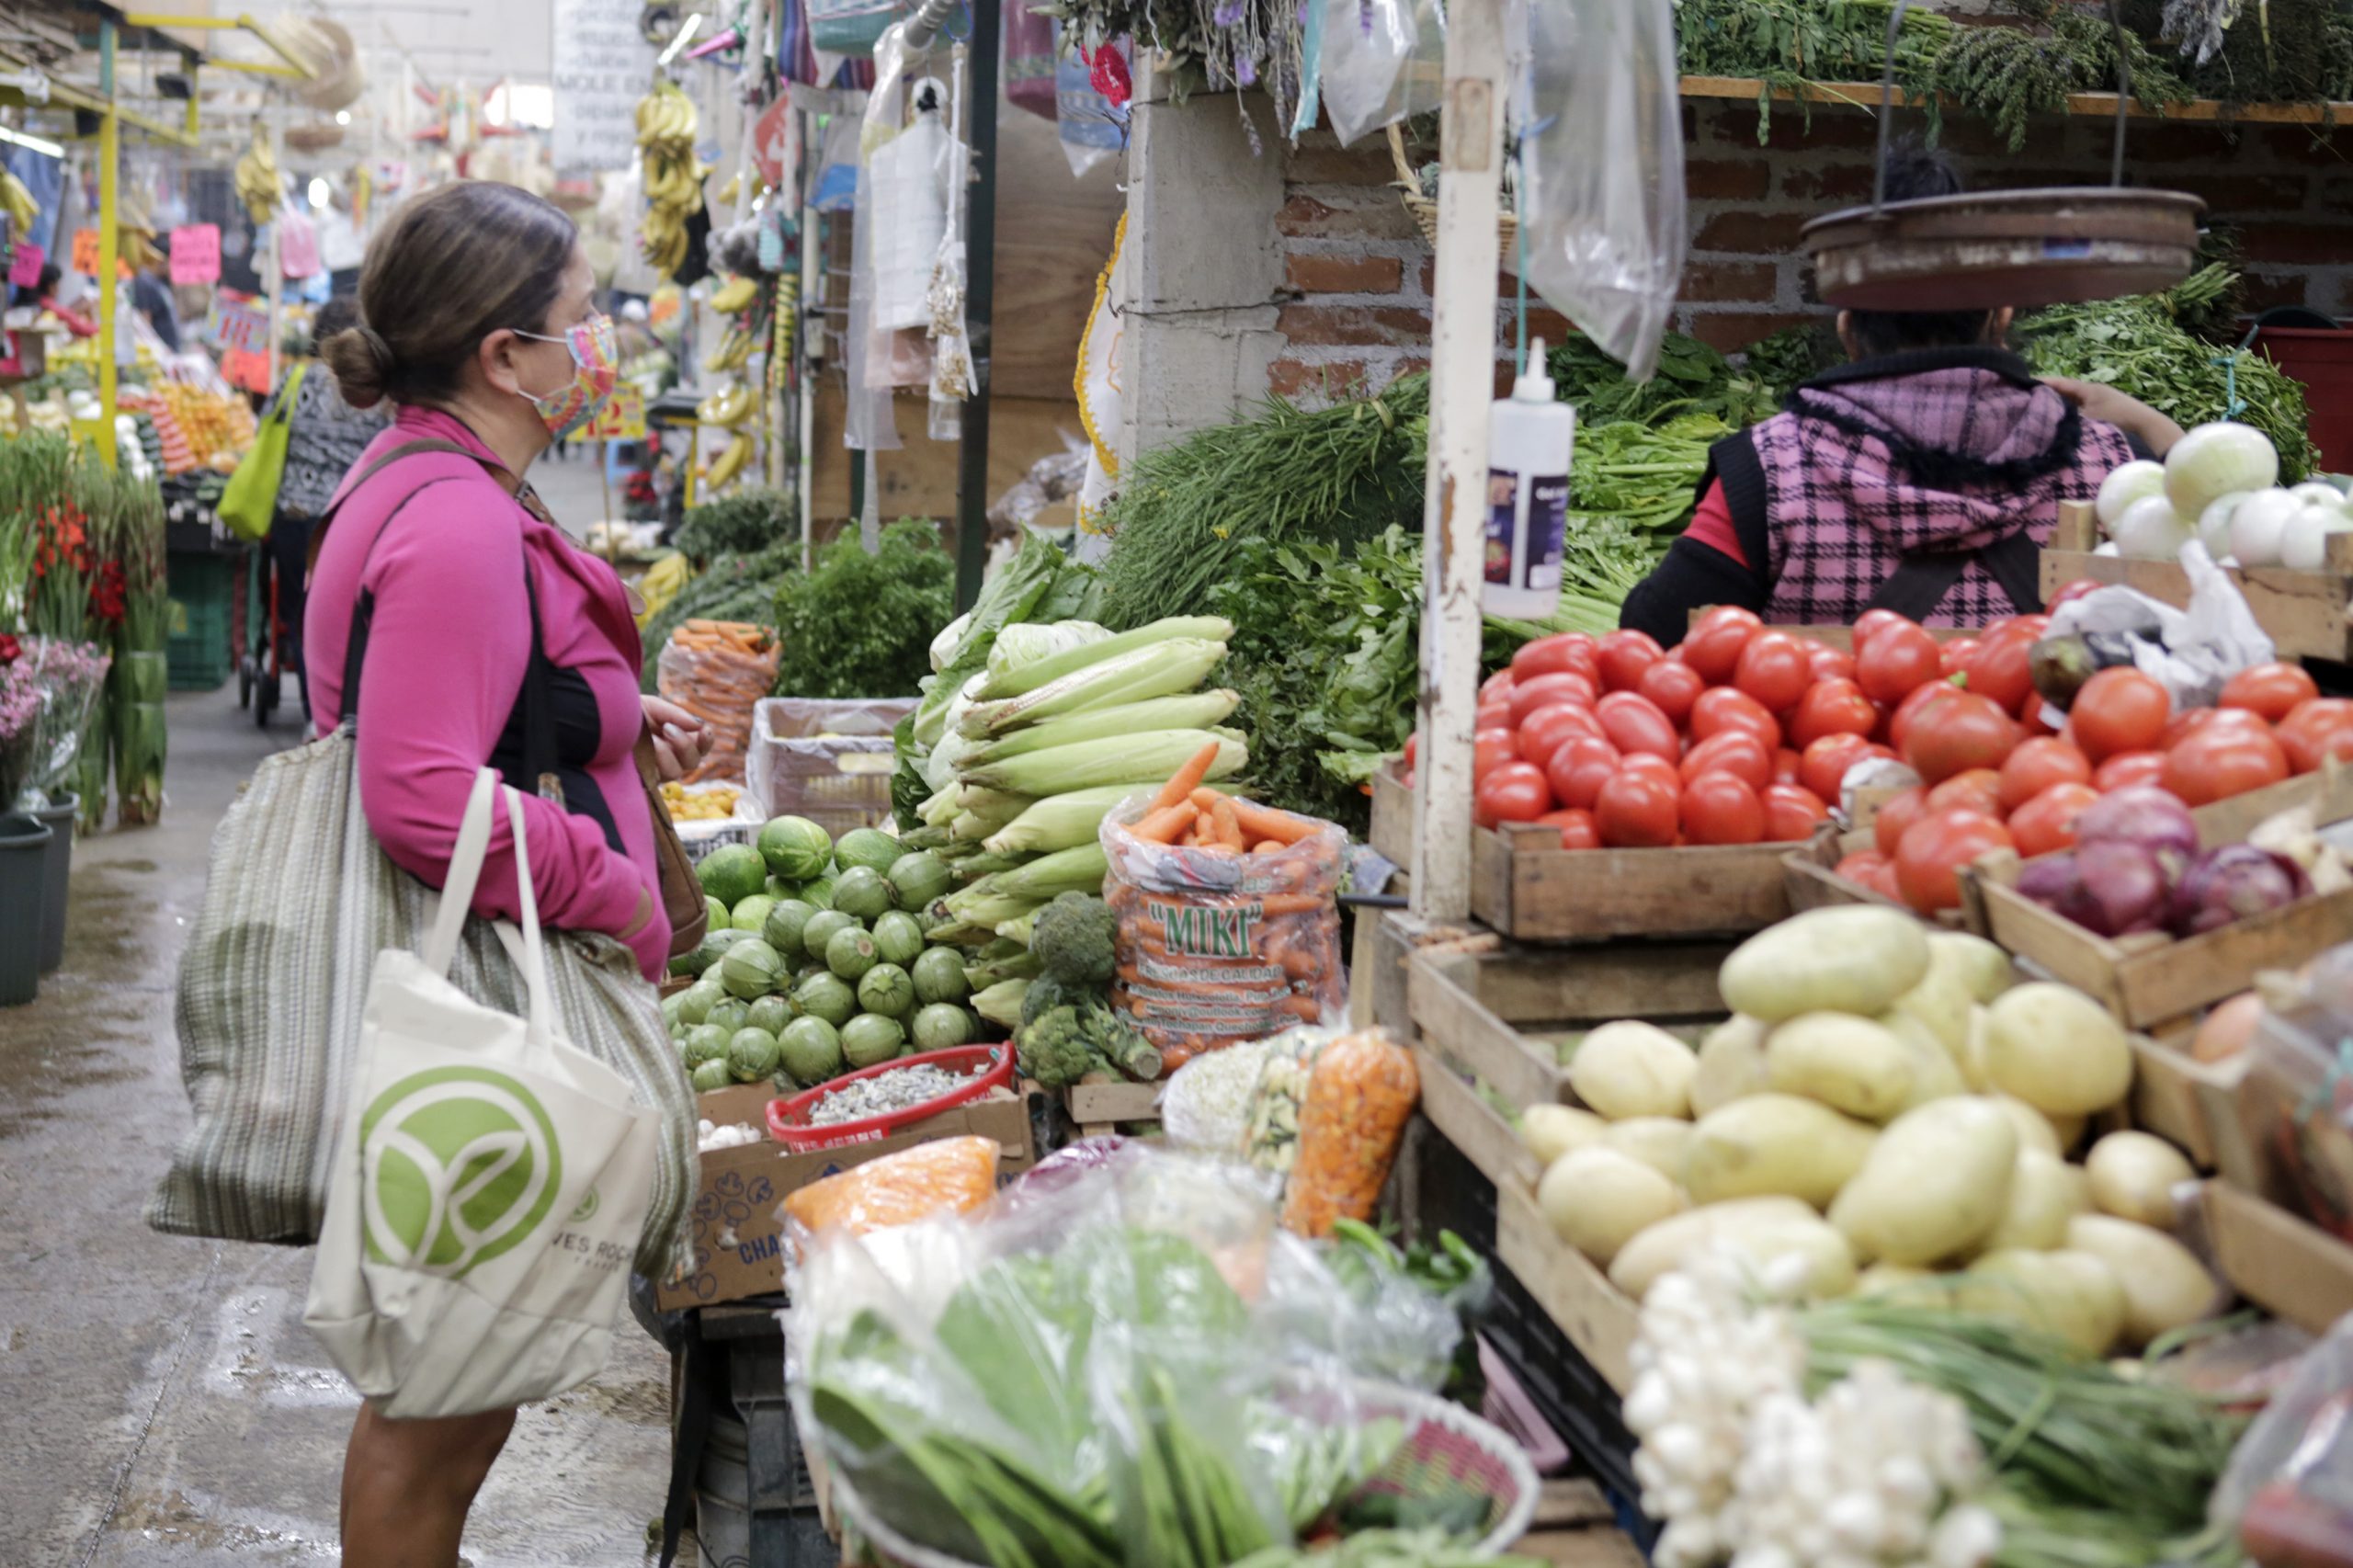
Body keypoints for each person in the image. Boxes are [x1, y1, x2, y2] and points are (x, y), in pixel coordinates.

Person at [306, 179, 711, 1567]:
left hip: (469, 975)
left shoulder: (428, 476)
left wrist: (601, 714)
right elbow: (422, 792)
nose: (600, 348)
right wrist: (609, 879)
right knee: (437, 1414)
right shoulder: (461, 520)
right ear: (502, 355)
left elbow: (466, 696)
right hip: (486, 990)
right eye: (583, 321)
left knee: (445, 1393)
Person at [1619, 149, 2185, 644]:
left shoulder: (1765, 471)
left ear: (1848, 331)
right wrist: (2152, 427)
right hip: (2050, 767)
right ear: (2000, 320)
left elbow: (1650, 637)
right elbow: (2236, 585)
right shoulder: (2114, 468)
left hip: (1826, 764)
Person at [265, 297, 391, 719]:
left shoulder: (294, 379)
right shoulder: (377, 389)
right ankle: (355, 710)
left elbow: (266, 426)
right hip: (356, 518)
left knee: (306, 616)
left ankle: (313, 714)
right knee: (356, 619)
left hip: (297, 513)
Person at [130, 256, 180, 351]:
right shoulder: (144, 281)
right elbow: (145, 319)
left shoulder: (159, 281)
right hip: (161, 349)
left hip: (168, 349)